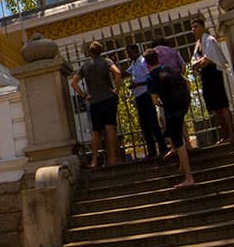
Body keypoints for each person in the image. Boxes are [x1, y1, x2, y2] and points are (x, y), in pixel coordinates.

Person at [145, 49, 194, 187]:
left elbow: (155, 101)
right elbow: (185, 81)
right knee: (173, 134)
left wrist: (163, 103)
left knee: (178, 140)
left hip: (171, 109)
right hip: (182, 105)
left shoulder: (151, 78)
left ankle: (188, 177)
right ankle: (181, 163)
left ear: (147, 63)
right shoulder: (168, 69)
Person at [70, 41, 122, 169]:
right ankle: (112, 158)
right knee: (110, 128)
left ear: (90, 52)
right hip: (108, 98)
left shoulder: (85, 66)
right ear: (101, 51)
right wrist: (116, 89)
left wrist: (84, 95)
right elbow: (118, 73)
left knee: (95, 131)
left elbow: (74, 83)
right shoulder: (106, 62)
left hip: (94, 101)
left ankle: (93, 159)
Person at [190, 18, 234, 145]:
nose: (194, 30)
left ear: (203, 27)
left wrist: (200, 62)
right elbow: (194, 63)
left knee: (222, 105)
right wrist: (200, 62)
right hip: (206, 76)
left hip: (214, 73)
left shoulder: (209, 40)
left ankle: (231, 133)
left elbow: (208, 60)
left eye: (196, 26)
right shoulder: (198, 44)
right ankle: (224, 133)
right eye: (192, 27)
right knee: (215, 107)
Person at [124, 43, 167, 160]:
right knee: (145, 125)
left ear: (135, 51)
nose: (128, 55)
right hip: (139, 96)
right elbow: (126, 73)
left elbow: (150, 78)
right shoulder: (133, 64)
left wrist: (137, 84)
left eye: (129, 52)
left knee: (153, 122)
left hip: (146, 94)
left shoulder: (143, 62)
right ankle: (151, 150)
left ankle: (163, 147)